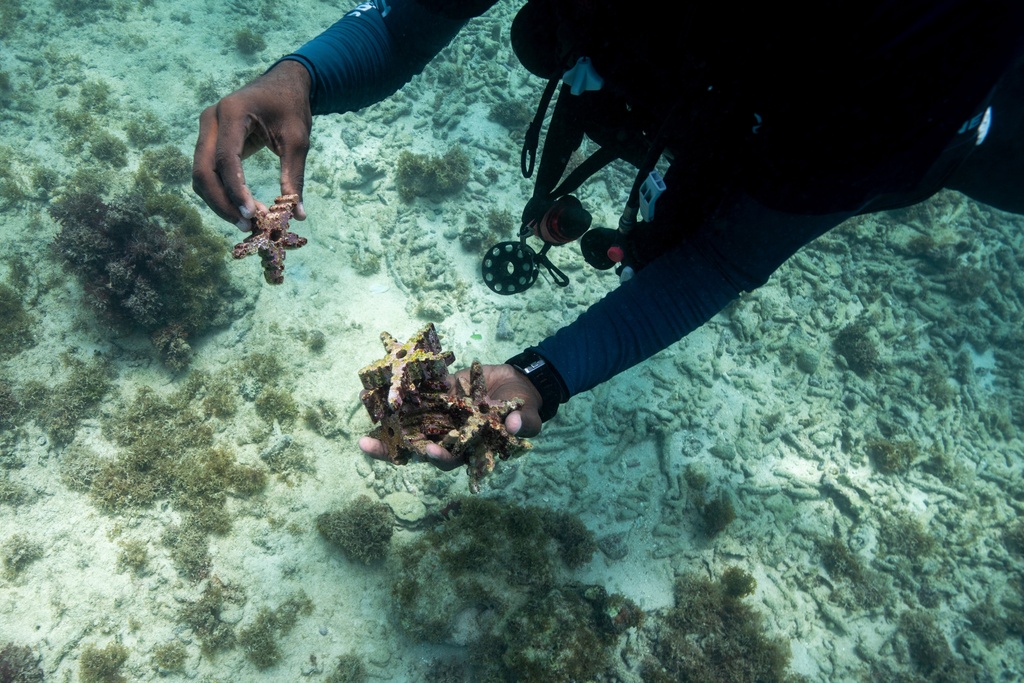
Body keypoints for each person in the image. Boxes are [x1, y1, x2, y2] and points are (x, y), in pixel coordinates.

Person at [193, 0, 1024, 470]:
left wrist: (546, 375)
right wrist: (299, 75)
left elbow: (724, 257)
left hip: (951, 125)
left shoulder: (907, 44)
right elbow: (412, 17)